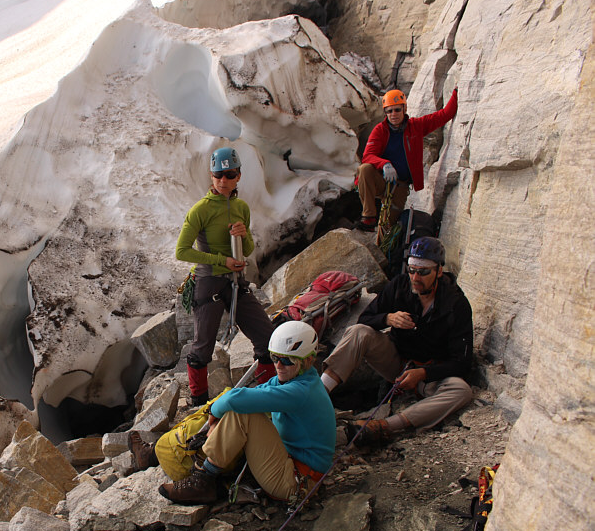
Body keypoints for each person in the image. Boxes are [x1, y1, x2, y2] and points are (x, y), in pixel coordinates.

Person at [148, 321, 335, 505]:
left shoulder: (300, 392)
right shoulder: (296, 379)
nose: (279, 365)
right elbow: (253, 394)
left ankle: (203, 478)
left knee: (243, 413)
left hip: (296, 482)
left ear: (309, 360)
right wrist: (217, 415)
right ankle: (205, 470)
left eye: (287, 360)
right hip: (289, 463)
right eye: (275, 358)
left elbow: (236, 400)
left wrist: (213, 411)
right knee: (240, 407)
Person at [320, 237, 473, 447]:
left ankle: (383, 427)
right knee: (359, 332)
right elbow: (365, 319)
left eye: (423, 272)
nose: (415, 277)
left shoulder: (456, 304)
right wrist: (388, 318)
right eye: (411, 270)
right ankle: (318, 394)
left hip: (429, 374)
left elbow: (462, 362)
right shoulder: (400, 285)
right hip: (397, 362)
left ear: (438, 271)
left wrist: (423, 373)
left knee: (462, 391)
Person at [175, 147, 276, 406]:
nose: (223, 181)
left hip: (236, 282)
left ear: (238, 176)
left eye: (229, 175)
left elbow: (250, 249)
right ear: (211, 176)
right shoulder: (200, 210)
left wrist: (243, 236)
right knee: (202, 348)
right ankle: (198, 404)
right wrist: (223, 261)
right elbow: (182, 251)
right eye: (218, 175)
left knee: (266, 337)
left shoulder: (241, 207)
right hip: (209, 284)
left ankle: (269, 399)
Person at [354, 88, 458, 231]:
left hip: (400, 186)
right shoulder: (380, 130)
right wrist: (385, 164)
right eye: (389, 111)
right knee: (364, 169)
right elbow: (368, 156)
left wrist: (456, 93)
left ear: (404, 109)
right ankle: (369, 216)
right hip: (382, 181)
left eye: (397, 110)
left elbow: (445, 115)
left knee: (388, 229)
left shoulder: (416, 127)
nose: (393, 114)